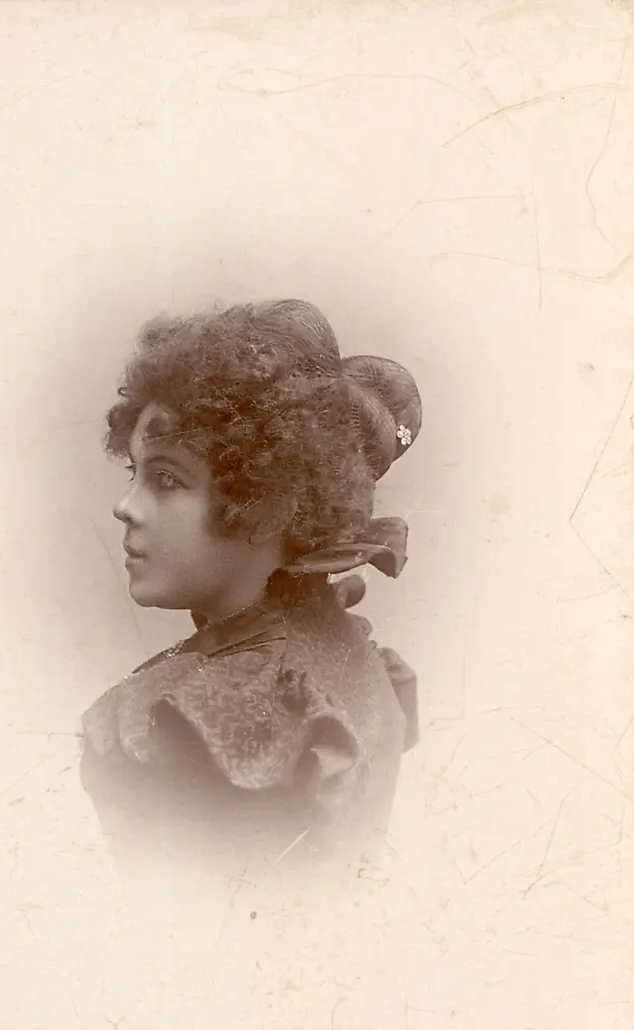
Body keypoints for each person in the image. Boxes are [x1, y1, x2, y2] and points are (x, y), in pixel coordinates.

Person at [80, 298, 421, 874]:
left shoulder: (197, 720)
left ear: (266, 504)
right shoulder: (340, 647)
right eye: (134, 472)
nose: (124, 507)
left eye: (166, 478)